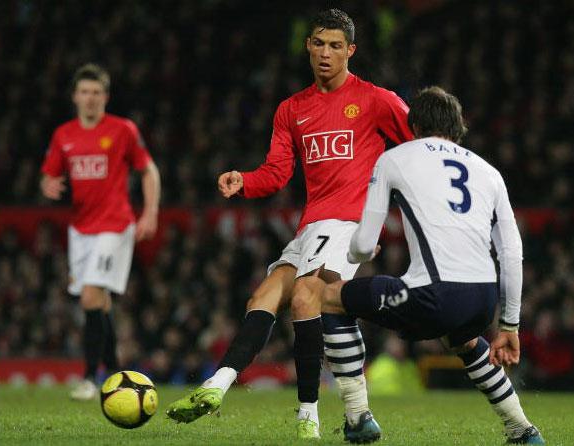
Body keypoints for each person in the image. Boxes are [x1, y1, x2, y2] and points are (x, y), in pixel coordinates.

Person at [166, 8, 412, 442]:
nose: (326, 53)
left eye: (336, 46)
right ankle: (216, 386)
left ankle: (308, 415)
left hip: (347, 222)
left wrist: (390, 215)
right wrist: (244, 181)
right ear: (307, 46)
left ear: (350, 51)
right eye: (319, 43)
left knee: (304, 299)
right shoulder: (292, 109)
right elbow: (276, 174)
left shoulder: (376, 99)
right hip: (311, 226)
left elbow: (419, 147)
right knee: (262, 297)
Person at [321, 86, 545, 444]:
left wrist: (351, 256)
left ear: (414, 125)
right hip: (483, 300)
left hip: (436, 294)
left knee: (331, 297)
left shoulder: (396, 158)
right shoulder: (489, 172)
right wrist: (510, 324)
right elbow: (512, 252)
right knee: (465, 340)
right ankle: (522, 428)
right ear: (458, 127)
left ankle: (357, 415)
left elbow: (363, 244)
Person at [40, 63, 161, 400]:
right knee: (99, 304)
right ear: (75, 97)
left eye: (96, 93)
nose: (90, 98)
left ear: (105, 97)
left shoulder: (122, 130)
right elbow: (48, 174)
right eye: (84, 92)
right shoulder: (63, 135)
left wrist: (149, 212)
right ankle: (118, 373)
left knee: (92, 295)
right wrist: (48, 184)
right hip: (80, 229)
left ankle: (90, 377)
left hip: (115, 224)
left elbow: (149, 171)